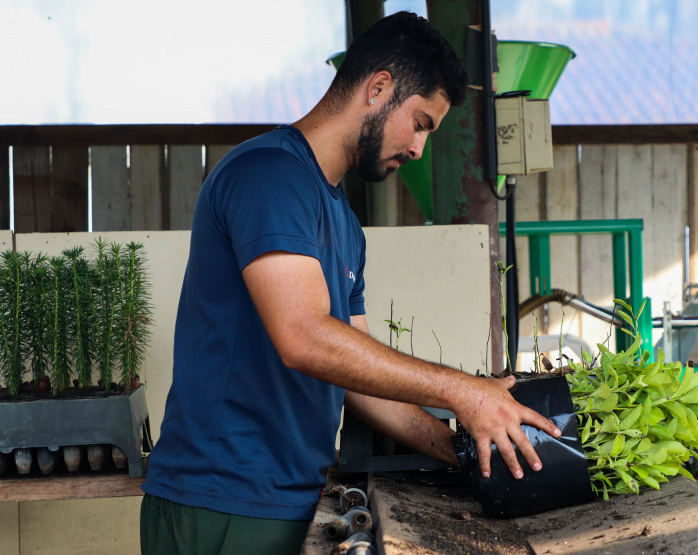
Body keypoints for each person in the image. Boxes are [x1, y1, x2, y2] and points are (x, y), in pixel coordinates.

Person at [139, 11, 560, 554]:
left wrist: (463, 447)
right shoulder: (269, 176)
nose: (418, 149)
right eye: (421, 123)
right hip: (222, 503)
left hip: (291, 499)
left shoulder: (344, 224)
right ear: (378, 88)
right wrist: (461, 390)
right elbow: (304, 337)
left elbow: (358, 380)